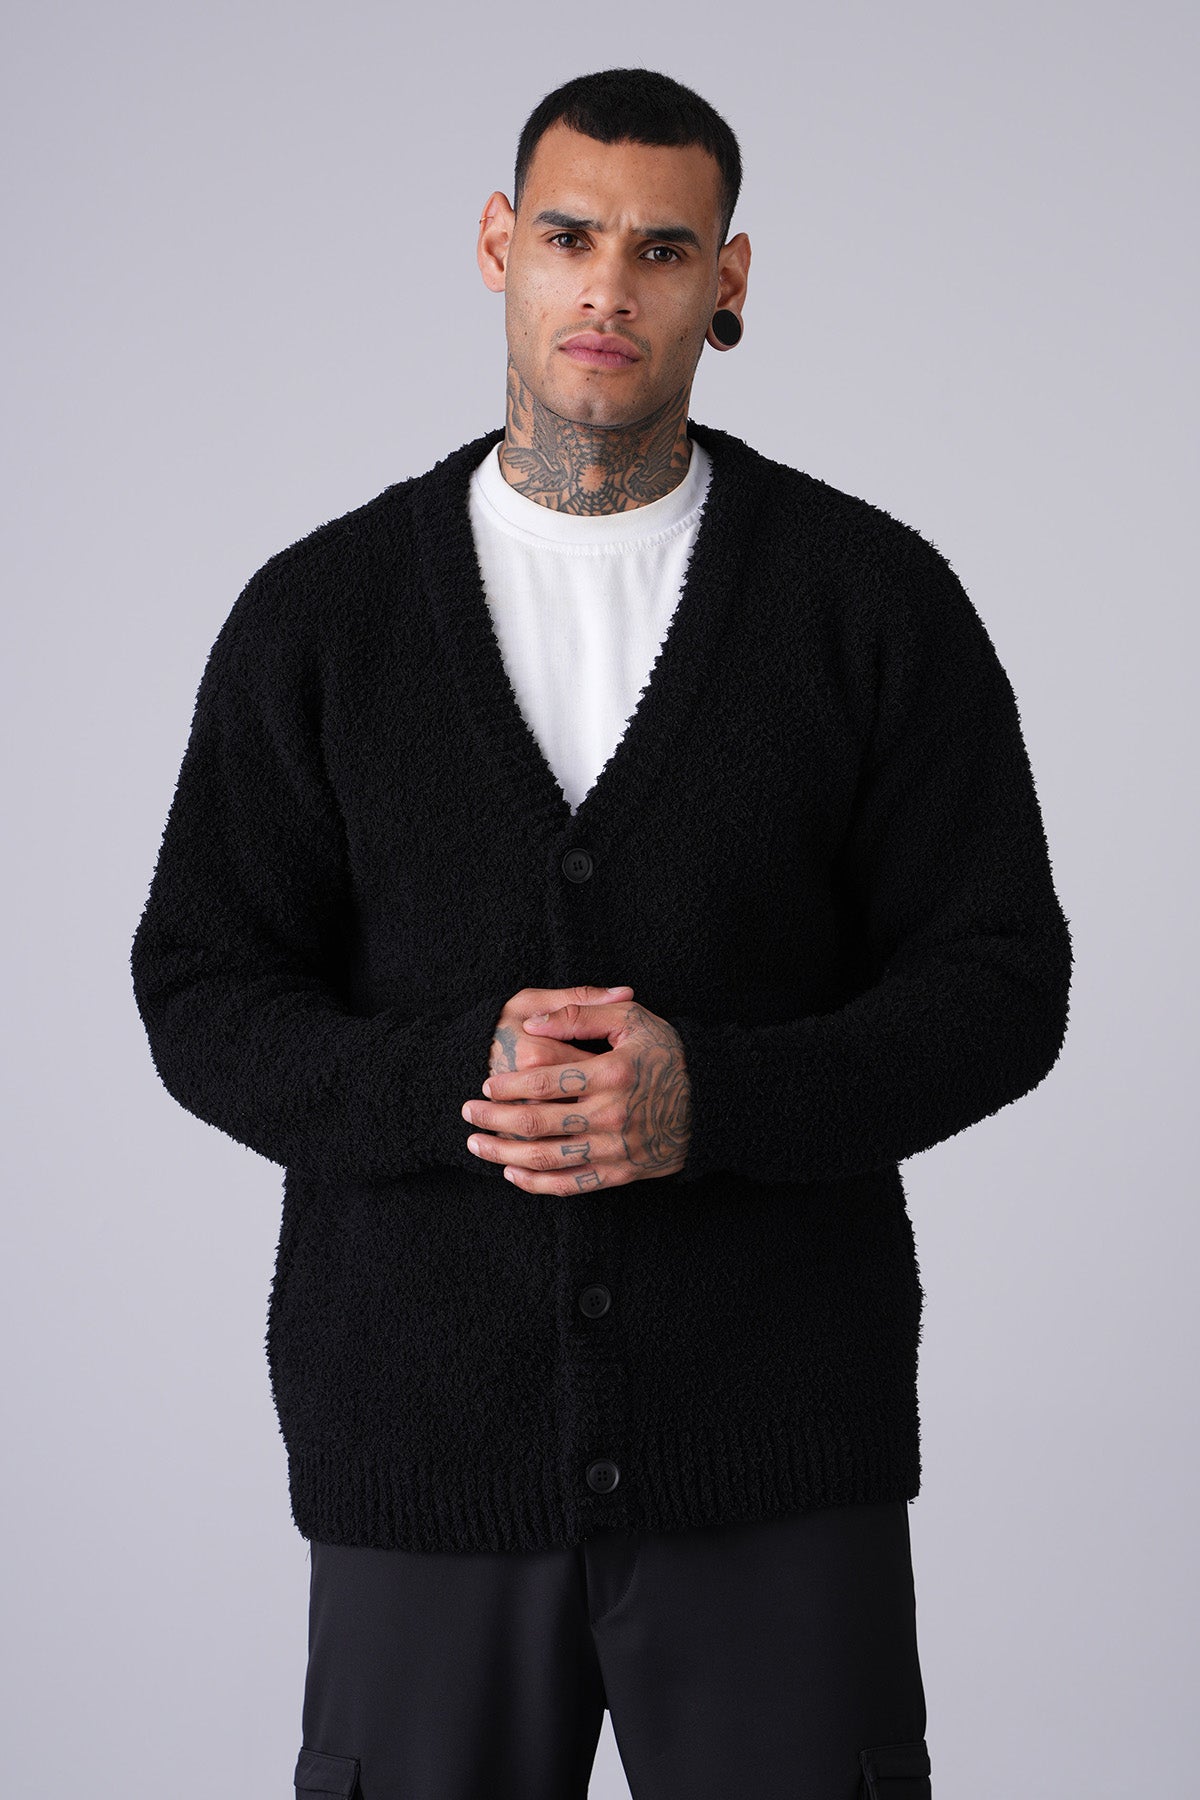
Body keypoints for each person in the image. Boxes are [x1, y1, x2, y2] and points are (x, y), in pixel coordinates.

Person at [131, 65, 1073, 1800]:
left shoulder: (869, 602)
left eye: (662, 249)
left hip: (776, 1448)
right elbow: (199, 987)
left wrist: (716, 1099)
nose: (608, 288)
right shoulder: (323, 615)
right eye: (569, 237)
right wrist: (453, 1085)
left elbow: (1004, 982)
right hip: (425, 1450)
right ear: (499, 244)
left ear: (730, 280)